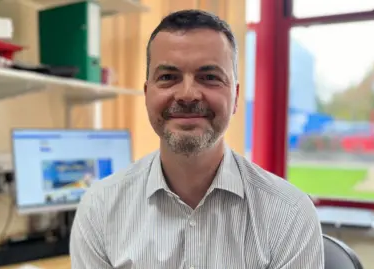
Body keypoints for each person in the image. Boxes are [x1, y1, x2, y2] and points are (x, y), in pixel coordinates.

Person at [70, 9, 324, 269]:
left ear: (235, 96)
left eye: (209, 77)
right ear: (147, 94)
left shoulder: (289, 214)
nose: (188, 94)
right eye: (168, 77)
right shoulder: (100, 208)